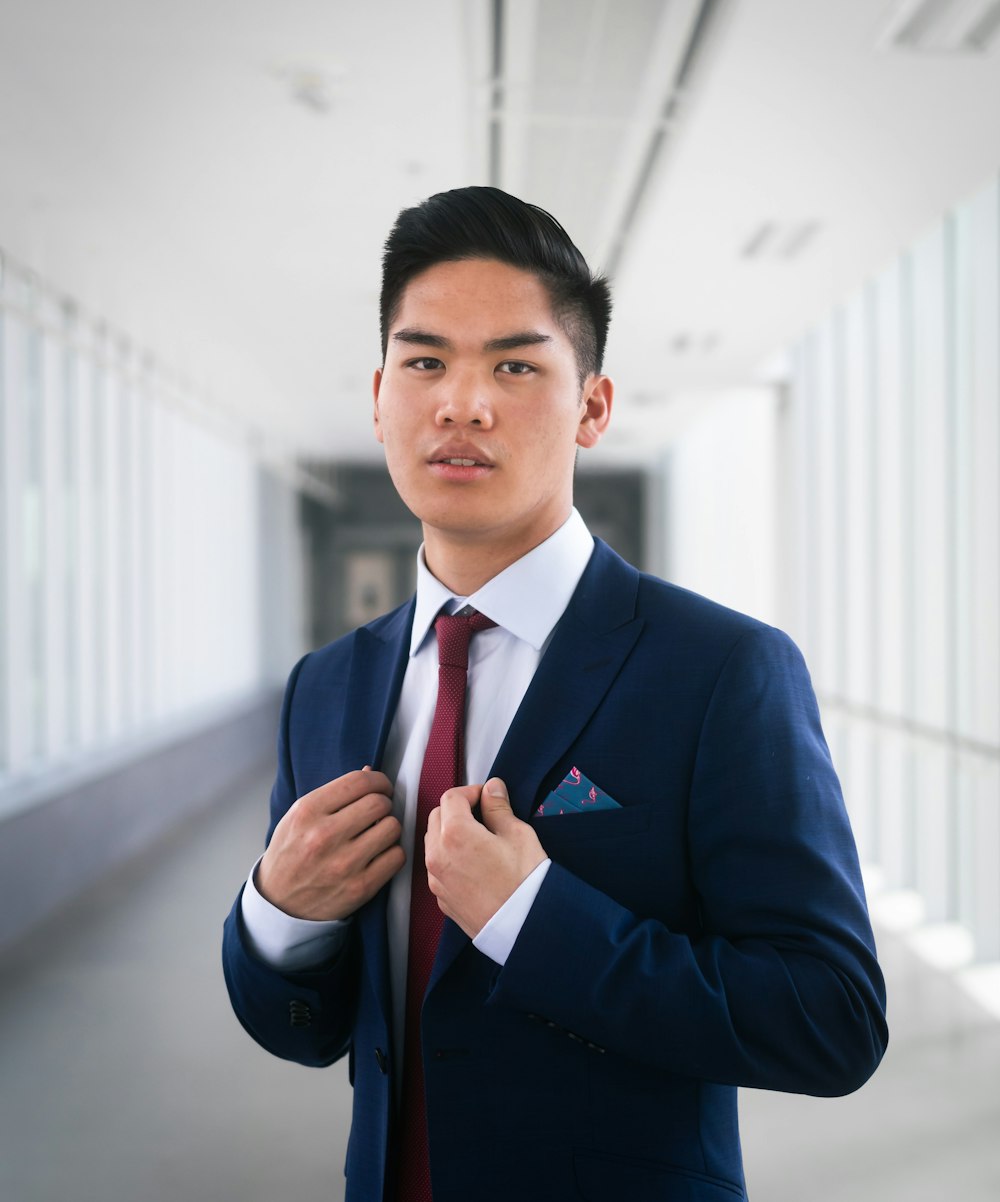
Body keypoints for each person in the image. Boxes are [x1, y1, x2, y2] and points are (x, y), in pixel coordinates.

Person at [223, 186, 887, 1202]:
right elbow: (299, 1028)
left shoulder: (720, 670)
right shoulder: (328, 683)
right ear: (379, 392)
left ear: (591, 406)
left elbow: (829, 1016)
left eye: (515, 365)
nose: (462, 404)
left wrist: (533, 919)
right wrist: (277, 913)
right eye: (426, 361)